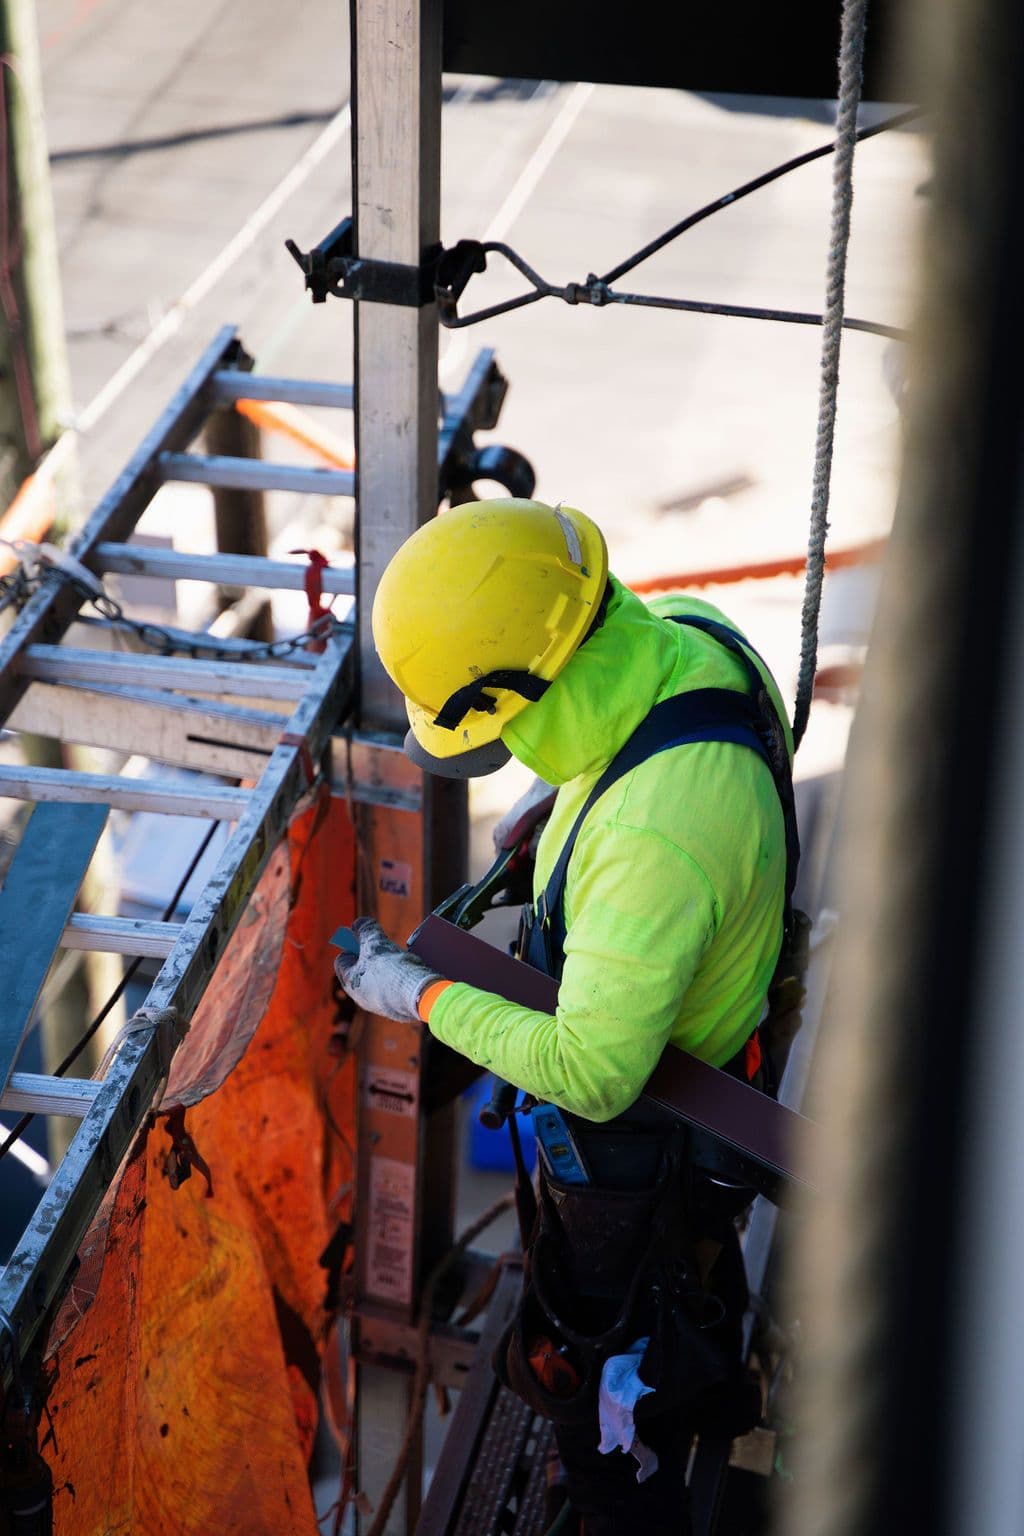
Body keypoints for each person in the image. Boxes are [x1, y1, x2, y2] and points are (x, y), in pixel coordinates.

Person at [334, 498, 796, 1535]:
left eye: (500, 731)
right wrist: (569, 799)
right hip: (705, 1038)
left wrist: (419, 995)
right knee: (646, 1299)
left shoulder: (654, 841)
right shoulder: (689, 638)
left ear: (522, 687)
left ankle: (612, 1495)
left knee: (603, 1348)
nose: (505, 752)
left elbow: (592, 1072)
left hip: (646, 1143)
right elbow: (642, 749)